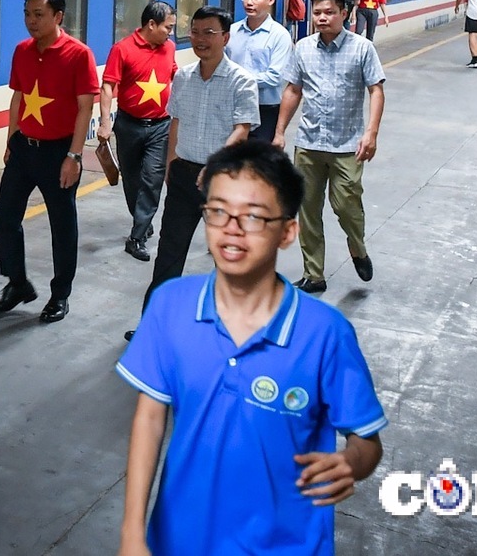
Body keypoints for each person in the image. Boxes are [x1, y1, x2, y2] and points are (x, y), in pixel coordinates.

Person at [115, 142, 386, 556]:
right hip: (178, 542)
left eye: (254, 217)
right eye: (218, 211)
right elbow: (149, 421)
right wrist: (133, 536)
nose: (232, 229)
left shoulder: (325, 334)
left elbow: (366, 442)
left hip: (288, 545)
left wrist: (351, 463)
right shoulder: (170, 305)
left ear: (287, 231)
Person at [128, 6, 260, 337]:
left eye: (209, 33)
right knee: (169, 255)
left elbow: (241, 130)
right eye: (196, 32)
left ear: (225, 38)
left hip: (223, 183)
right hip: (184, 176)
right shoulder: (183, 77)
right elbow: (176, 123)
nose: (200, 40)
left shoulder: (241, 81)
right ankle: (153, 326)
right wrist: (171, 164)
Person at [0, 0, 99, 324]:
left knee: (62, 225)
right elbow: (19, 98)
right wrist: (11, 140)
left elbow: (85, 108)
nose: (31, 21)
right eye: (27, 14)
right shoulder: (22, 51)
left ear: (58, 17)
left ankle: (59, 294)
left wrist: (75, 156)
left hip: (59, 151)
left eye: (38, 14)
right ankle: (17, 283)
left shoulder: (78, 54)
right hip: (25, 147)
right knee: (5, 216)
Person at [275, 0, 385, 296]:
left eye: (329, 12)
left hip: (347, 145)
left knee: (347, 206)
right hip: (308, 143)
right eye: (318, 13)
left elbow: (376, 90)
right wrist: (281, 131)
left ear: (345, 14)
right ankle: (314, 274)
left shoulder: (362, 48)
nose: (322, 18)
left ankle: (357, 248)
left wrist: (371, 133)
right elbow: (293, 90)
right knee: (308, 209)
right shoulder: (303, 48)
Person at [98, 1, 177, 263]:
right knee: (131, 179)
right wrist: (105, 123)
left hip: (160, 126)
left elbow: (173, 77)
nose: (171, 33)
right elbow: (108, 86)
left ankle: (137, 236)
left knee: (152, 180)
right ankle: (142, 220)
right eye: (168, 27)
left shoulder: (169, 48)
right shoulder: (122, 50)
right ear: (151, 25)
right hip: (128, 125)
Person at [230, 0, 295, 139]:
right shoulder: (232, 31)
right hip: (233, 106)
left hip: (265, 109)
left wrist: (238, 80)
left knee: (258, 162)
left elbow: (274, 78)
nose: (249, 2)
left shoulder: (279, 35)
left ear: (270, 0)